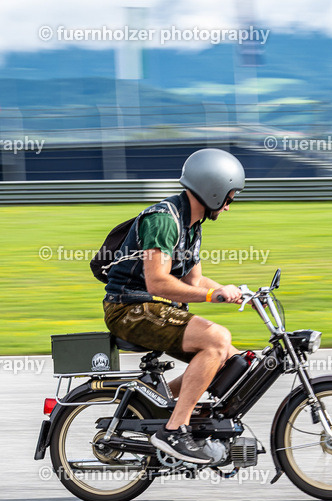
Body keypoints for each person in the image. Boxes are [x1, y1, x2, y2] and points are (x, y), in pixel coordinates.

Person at [102, 148, 245, 465]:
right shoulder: (164, 221)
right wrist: (212, 298)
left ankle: (158, 402)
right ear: (213, 190)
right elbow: (158, 282)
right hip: (129, 309)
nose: (229, 205)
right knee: (216, 339)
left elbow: (195, 281)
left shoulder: (192, 225)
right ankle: (175, 429)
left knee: (231, 361)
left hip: (151, 309)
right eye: (229, 197)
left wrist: (229, 291)